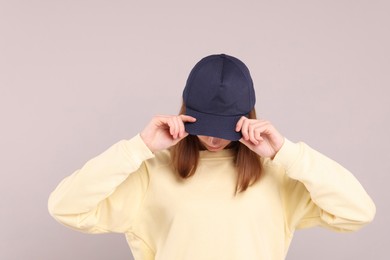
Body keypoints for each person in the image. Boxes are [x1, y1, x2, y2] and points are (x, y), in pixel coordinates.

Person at [48, 54, 376, 260]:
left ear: (248, 117)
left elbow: (358, 212)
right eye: (205, 125)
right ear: (186, 112)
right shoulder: (151, 174)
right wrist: (139, 147)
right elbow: (65, 207)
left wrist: (284, 152)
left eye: (226, 127)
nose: (214, 137)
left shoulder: (276, 174)